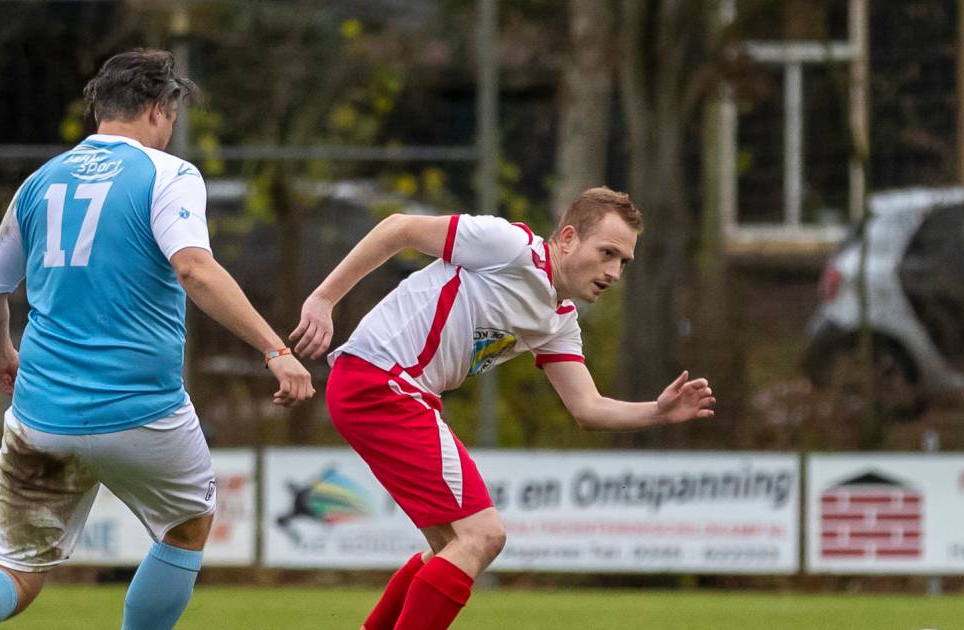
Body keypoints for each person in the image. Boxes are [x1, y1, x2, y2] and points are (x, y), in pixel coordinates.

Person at [0, 49, 314, 630]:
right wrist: (276, 350)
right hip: (141, 412)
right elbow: (194, 269)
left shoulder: (39, 183)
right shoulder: (169, 174)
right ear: (159, 109)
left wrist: (1, 356)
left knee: (14, 568)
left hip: (42, 415)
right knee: (188, 525)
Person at [290, 187, 716, 630]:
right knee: (484, 535)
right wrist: (323, 299)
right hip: (384, 382)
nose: (614, 272)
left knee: (451, 546)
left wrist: (658, 412)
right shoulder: (508, 247)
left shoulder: (560, 320)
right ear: (567, 238)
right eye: (607, 252)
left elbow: (588, 408)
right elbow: (399, 228)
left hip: (380, 390)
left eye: (623, 261)